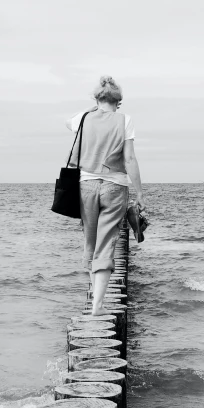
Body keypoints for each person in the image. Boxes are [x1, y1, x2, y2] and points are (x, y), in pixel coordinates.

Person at [64, 76, 146, 316]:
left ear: (96, 98)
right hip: (114, 188)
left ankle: (94, 299)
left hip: (85, 186)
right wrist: (140, 193)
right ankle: (98, 306)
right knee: (106, 245)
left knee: (90, 243)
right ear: (118, 101)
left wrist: (92, 109)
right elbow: (130, 159)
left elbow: (66, 122)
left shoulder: (83, 118)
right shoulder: (125, 121)